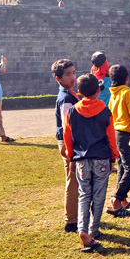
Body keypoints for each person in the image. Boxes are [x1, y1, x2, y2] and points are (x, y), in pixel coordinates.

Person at [62, 74, 119, 252]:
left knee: (84, 195)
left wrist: (71, 157)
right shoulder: (105, 110)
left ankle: (82, 229)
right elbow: (111, 137)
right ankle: (94, 229)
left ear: (79, 91)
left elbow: (67, 137)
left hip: (81, 160)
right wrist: (113, 158)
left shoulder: (72, 111)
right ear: (98, 90)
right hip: (101, 158)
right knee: (99, 195)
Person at [106, 65, 130, 218]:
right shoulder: (128, 93)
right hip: (128, 134)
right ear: (127, 78)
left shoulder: (113, 94)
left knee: (122, 167)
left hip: (117, 134)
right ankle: (117, 199)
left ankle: (122, 200)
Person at [52, 58, 79, 232]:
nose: (72, 77)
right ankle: (71, 220)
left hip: (70, 141)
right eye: (68, 74)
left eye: (74, 73)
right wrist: (70, 150)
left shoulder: (69, 93)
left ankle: (77, 215)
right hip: (69, 142)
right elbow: (67, 126)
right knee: (73, 181)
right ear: (58, 78)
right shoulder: (66, 97)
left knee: (75, 180)